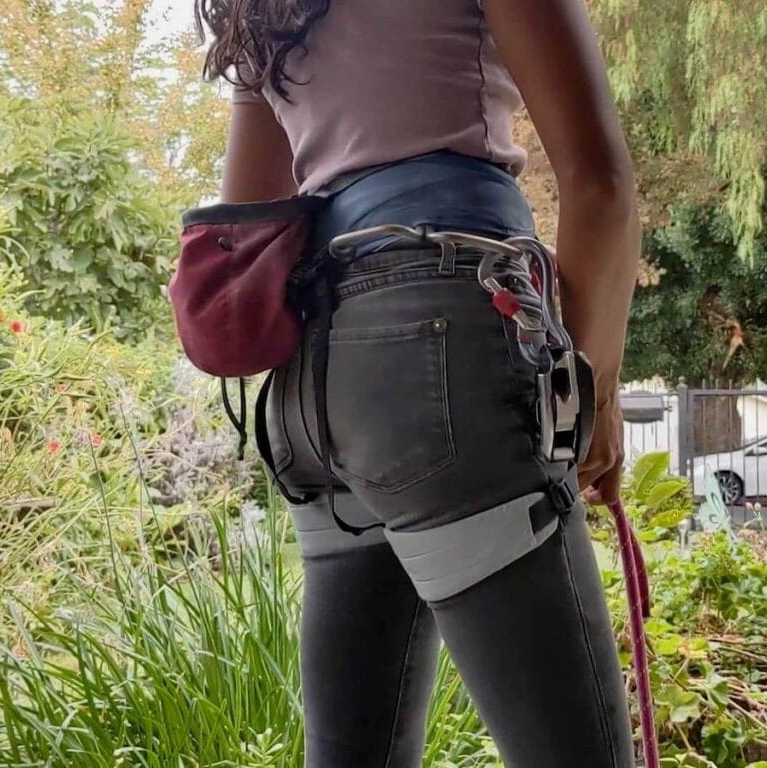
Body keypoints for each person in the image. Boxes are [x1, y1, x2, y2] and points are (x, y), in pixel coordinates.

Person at [195, 1, 641, 766]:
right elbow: (598, 181)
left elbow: (251, 221)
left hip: (317, 383)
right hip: (437, 335)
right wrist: (589, 387)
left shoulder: (261, 6)